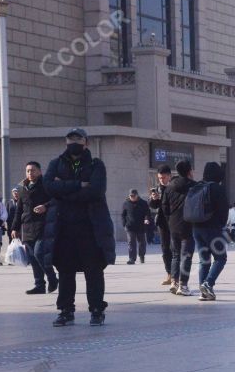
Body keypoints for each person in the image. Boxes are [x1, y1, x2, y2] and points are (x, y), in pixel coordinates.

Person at [43, 128, 116, 326]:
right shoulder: (55, 163)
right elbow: (49, 186)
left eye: (78, 138)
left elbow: (96, 191)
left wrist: (64, 188)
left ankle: (96, 310)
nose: (74, 141)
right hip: (63, 227)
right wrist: (79, 185)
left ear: (86, 142)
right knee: (65, 271)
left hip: (90, 227)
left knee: (93, 271)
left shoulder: (95, 164)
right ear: (65, 141)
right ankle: (66, 310)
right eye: (70, 138)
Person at [10, 161, 58, 294]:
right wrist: (14, 228)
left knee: (39, 253)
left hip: (43, 226)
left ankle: (52, 278)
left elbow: (56, 200)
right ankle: (39, 285)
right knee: (33, 257)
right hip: (27, 227)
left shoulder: (46, 185)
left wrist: (45, 206)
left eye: (33, 170)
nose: (30, 173)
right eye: (28, 171)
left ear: (39, 172)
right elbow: (19, 210)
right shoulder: (22, 187)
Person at [193, 162, 230, 300]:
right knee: (221, 258)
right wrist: (220, 225)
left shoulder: (197, 186)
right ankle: (208, 283)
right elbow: (223, 210)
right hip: (212, 228)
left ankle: (204, 293)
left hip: (196, 228)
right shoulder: (217, 188)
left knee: (204, 261)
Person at [162, 160, 197, 296]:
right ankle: (183, 285)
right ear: (189, 172)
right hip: (189, 224)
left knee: (176, 255)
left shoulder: (169, 187)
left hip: (173, 225)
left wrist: (170, 220)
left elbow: (164, 207)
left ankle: (174, 282)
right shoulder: (195, 186)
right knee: (186, 255)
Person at [149, 165, 173, 286]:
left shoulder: (174, 188)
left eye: (163, 177)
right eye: (159, 178)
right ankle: (169, 274)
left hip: (174, 222)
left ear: (169, 176)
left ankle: (176, 275)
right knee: (165, 249)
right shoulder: (158, 189)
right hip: (162, 223)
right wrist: (153, 199)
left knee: (175, 249)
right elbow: (153, 206)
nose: (162, 180)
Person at [121, 189, 151, 265]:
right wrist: (124, 224)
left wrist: (146, 219)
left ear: (137, 195)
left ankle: (141, 256)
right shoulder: (126, 203)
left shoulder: (143, 203)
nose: (132, 197)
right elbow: (123, 215)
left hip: (141, 226)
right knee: (131, 242)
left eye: (133, 196)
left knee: (142, 242)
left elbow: (147, 213)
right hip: (130, 226)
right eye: (131, 196)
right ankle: (132, 259)